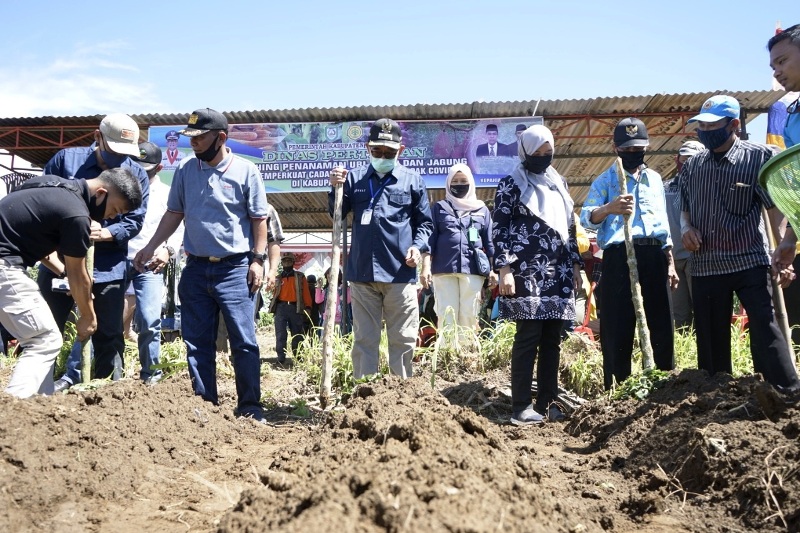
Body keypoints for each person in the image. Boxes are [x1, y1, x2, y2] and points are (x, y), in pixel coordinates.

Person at [133, 108, 270, 421]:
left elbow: (259, 219)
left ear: (220, 138)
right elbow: (174, 214)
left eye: (200, 137)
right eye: (190, 137)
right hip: (195, 269)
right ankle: (205, 406)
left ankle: (249, 406)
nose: (193, 143)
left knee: (244, 341)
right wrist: (151, 246)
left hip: (235, 269)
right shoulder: (184, 169)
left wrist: (257, 260)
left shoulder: (246, 171)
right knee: (196, 342)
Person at [678, 95, 799, 392]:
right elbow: (685, 207)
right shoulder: (693, 166)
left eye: (712, 125)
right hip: (706, 266)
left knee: (766, 331)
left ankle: (785, 394)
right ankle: (714, 397)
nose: (704, 131)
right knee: (709, 341)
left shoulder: (759, 157)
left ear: (733, 125)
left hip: (750, 262)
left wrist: (783, 251)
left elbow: (774, 209)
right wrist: (686, 228)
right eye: (700, 126)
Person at [1, 170, 142, 398]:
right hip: (4, 266)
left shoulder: (49, 184)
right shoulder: (76, 214)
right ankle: (14, 413)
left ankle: (40, 409)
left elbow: (39, 246)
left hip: (6, 262)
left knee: (42, 339)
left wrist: (66, 273)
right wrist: (88, 316)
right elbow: (79, 275)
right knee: (44, 339)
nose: (107, 218)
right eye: (113, 210)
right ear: (101, 193)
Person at [43, 113, 150, 392]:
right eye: (114, 150)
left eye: (125, 153)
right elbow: (45, 201)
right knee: (47, 329)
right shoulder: (66, 161)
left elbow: (135, 220)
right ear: (97, 137)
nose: (119, 159)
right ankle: (38, 393)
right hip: (60, 263)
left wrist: (107, 232)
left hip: (107, 267)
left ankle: (107, 396)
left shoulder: (136, 173)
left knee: (109, 334)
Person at [328, 118, 433, 379]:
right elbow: (338, 215)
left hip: (400, 273)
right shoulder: (354, 179)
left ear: (401, 151)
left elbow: (425, 224)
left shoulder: (413, 181)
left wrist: (418, 248)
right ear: (368, 149)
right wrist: (335, 189)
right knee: (364, 340)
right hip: (363, 274)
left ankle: (402, 397)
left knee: (403, 339)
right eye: (378, 151)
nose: (383, 156)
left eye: (390, 153)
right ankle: (364, 398)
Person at [493, 124, 582, 425]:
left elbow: (570, 229)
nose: (544, 158)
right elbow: (499, 229)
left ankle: (548, 402)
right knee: (528, 336)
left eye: (549, 153)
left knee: (553, 339)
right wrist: (504, 268)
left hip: (557, 272)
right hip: (526, 272)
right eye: (538, 153)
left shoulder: (560, 184)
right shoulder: (511, 184)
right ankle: (520, 406)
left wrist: (576, 267)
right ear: (525, 152)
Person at [581, 117, 678, 390]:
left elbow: (663, 224)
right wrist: (609, 208)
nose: (632, 153)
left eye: (638, 148)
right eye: (626, 148)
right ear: (616, 147)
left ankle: (664, 381)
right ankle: (618, 384)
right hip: (618, 255)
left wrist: (669, 260)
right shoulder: (605, 180)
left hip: (653, 253)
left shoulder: (655, 179)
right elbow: (586, 218)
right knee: (617, 323)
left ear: (646, 146)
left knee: (660, 320)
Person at [123, 142, 184, 384]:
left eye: (146, 170)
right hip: (119, 261)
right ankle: (106, 372)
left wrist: (168, 250)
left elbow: (179, 226)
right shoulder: (121, 188)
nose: (139, 174)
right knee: (109, 322)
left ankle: (151, 375)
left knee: (149, 321)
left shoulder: (168, 194)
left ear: (158, 168)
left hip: (149, 264)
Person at [420, 163, 496, 348]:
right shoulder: (438, 208)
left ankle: (466, 355)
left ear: (470, 182)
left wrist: (494, 270)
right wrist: (425, 267)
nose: (459, 184)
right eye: (455, 181)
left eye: (463, 181)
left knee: (469, 313)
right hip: (443, 270)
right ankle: (448, 355)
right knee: (446, 313)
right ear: (448, 183)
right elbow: (430, 240)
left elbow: (490, 242)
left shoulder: (482, 210)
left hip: (473, 270)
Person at [768, 24, 800, 345]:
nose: (777, 71)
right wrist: (789, 238)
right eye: (773, 65)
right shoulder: (790, 117)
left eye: (782, 61)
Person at [664, 140, 705, 330]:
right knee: (678, 315)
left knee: (703, 308)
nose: (687, 163)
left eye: (693, 159)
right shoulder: (664, 188)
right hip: (672, 259)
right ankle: (683, 354)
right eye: (684, 158)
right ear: (677, 159)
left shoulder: (707, 188)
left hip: (697, 256)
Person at [269, 252, 312, 363]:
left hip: (295, 307)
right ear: (282, 263)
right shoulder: (278, 278)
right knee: (280, 333)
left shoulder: (300, 276)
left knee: (297, 333)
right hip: (281, 307)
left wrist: (308, 307)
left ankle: (298, 356)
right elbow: (274, 293)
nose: (286, 263)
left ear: (293, 262)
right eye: (284, 261)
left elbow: (306, 293)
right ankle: (281, 356)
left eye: (289, 261)